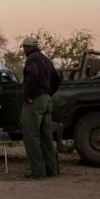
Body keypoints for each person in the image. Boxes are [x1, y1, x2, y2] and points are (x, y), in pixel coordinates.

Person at [20, 36, 62, 179]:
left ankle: (38, 172)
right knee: (46, 136)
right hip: (46, 100)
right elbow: (57, 79)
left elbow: (32, 75)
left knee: (32, 137)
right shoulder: (45, 59)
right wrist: (48, 93)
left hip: (35, 101)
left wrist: (28, 95)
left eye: (24, 48)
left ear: (27, 47)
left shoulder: (31, 59)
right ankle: (52, 170)